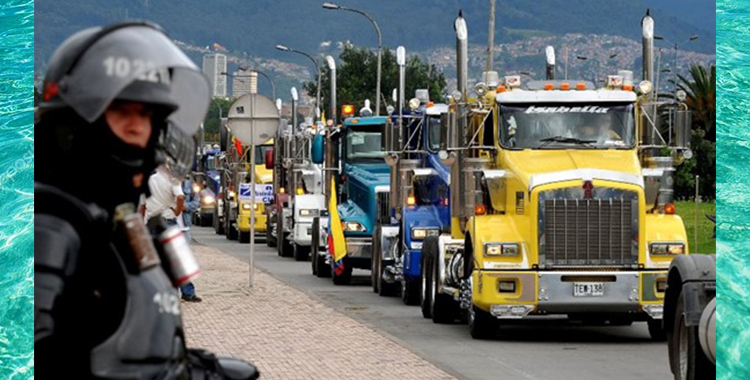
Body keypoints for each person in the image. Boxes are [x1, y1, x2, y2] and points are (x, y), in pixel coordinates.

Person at [35, 21, 257, 379]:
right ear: (75, 121)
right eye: (123, 112)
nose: (139, 128)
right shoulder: (51, 223)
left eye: (148, 115)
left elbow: (135, 337)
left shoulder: (117, 223)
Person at [146, 166, 202, 303]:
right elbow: (181, 196)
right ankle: (186, 292)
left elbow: (142, 205)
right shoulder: (172, 180)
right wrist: (177, 210)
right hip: (168, 223)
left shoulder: (148, 181)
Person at [182, 176, 201, 243]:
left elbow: (196, 202)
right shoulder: (164, 184)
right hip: (168, 223)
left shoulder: (189, 185)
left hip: (185, 224)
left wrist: (186, 207)